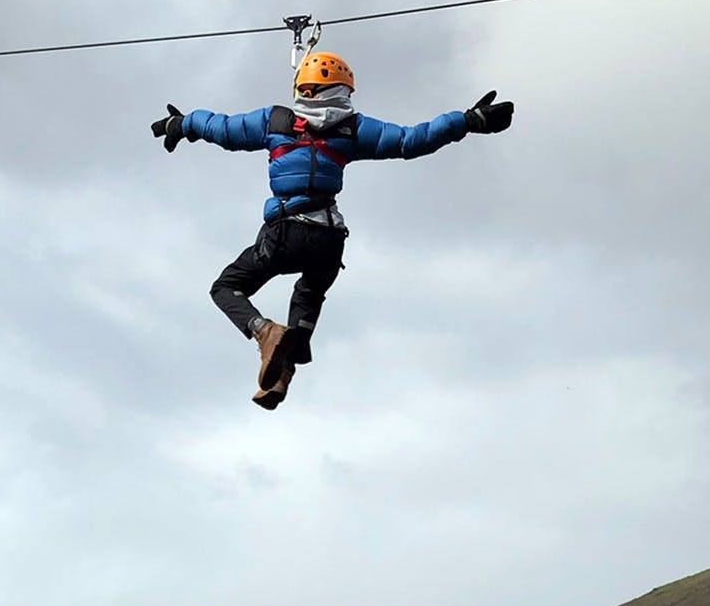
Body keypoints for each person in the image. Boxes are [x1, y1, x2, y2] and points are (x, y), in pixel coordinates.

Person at [151, 51, 514, 409]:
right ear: (344, 90)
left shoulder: (274, 121)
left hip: (286, 233)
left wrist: (181, 124)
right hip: (329, 240)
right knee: (308, 295)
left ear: (301, 88)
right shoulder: (354, 128)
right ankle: (280, 375)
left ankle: (263, 331)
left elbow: (222, 128)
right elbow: (410, 139)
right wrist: (468, 120)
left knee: (226, 286)